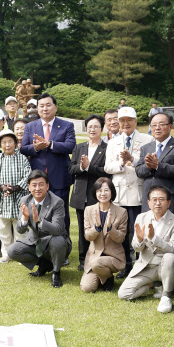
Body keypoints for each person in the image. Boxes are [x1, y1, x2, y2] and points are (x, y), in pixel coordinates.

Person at [118, 185, 174, 313]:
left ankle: (166, 295)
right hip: (145, 265)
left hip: (165, 266)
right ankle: (153, 285)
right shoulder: (141, 217)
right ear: (148, 203)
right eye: (154, 199)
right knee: (124, 294)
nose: (158, 203)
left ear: (168, 203)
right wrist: (139, 239)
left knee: (170, 257)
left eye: (161, 199)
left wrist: (154, 238)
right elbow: (137, 249)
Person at [105, 106, 154, 276]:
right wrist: (120, 164)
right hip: (119, 195)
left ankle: (141, 264)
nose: (125, 123)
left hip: (139, 193)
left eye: (129, 120)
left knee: (139, 230)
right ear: (118, 123)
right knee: (122, 233)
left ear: (135, 121)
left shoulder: (147, 140)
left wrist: (132, 160)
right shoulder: (112, 142)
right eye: (122, 120)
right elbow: (107, 166)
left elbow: (148, 164)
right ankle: (126, 264)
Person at [20, 93, 77, 239]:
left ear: (55, 107)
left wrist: (50, 144)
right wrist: (36, 148)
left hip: (59, 177)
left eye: (48, 105)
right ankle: (38, 245)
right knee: (37, 212)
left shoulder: (66, 125)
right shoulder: (31, 126)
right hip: (37, 180)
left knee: (61, 214)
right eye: (41, 106)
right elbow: (23, 148)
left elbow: (71, 146)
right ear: (38, 109)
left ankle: (63, 246)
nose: (45, 108)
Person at [8, 170, 70, 287]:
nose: (37, 188)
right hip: (35, 241)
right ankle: (44, 264)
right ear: (29, 187)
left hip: (55, 241)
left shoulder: (57, 202)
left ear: (47, 186)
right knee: (12, 251)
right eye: (34, 185)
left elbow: (57, 229)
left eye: (41, 184)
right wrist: (25, 218)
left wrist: (39, 221)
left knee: (58, 241)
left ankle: (56, 272)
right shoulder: (24, 200)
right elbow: (20, 230)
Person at [69, 114, 110, 270]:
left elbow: (105, 171)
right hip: (80, 195)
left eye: (96, 126)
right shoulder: (79, 147)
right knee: (82, 229)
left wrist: (89, 168)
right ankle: (82, 259)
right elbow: (71, 168)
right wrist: (81, 167)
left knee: (99, 228)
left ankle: (99, 257)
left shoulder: (106, 148)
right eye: (90, 126)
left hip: (98, 194)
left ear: (102, 129)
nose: (92, 129)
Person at [0, 129, 31, 263]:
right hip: (2, 199)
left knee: (20, 229)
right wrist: (2, 187)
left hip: (18, 197)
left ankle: (20, 253)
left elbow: (28, 175)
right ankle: (6, 253)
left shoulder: (22, 158)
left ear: (16, 143)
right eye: (4, 142)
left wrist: (15, 187)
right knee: (3, 229)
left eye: (10, 141)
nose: (7, 145)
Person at [135, 112, 174, 222]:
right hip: (149, 199)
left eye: (161, 124)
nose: (157, 128)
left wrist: (159, 166)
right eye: (153, 125)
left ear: (170, 126)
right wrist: (149, 166)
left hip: (171, 199)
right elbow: (139, 170)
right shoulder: (146, 147)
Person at [81, 177, 127, 292]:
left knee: (96, 263)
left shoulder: (122, 212)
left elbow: (121, 238)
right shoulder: (88, 210)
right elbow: (88, 236)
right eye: (99, 190)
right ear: (95, 193)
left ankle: (107, 276)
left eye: (106, 190)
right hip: (95, 256)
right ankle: (106, 277)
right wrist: (96, 227)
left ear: (112, 192)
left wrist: (110, 228)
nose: (103, 194)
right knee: (87, 288)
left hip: (113, 257)